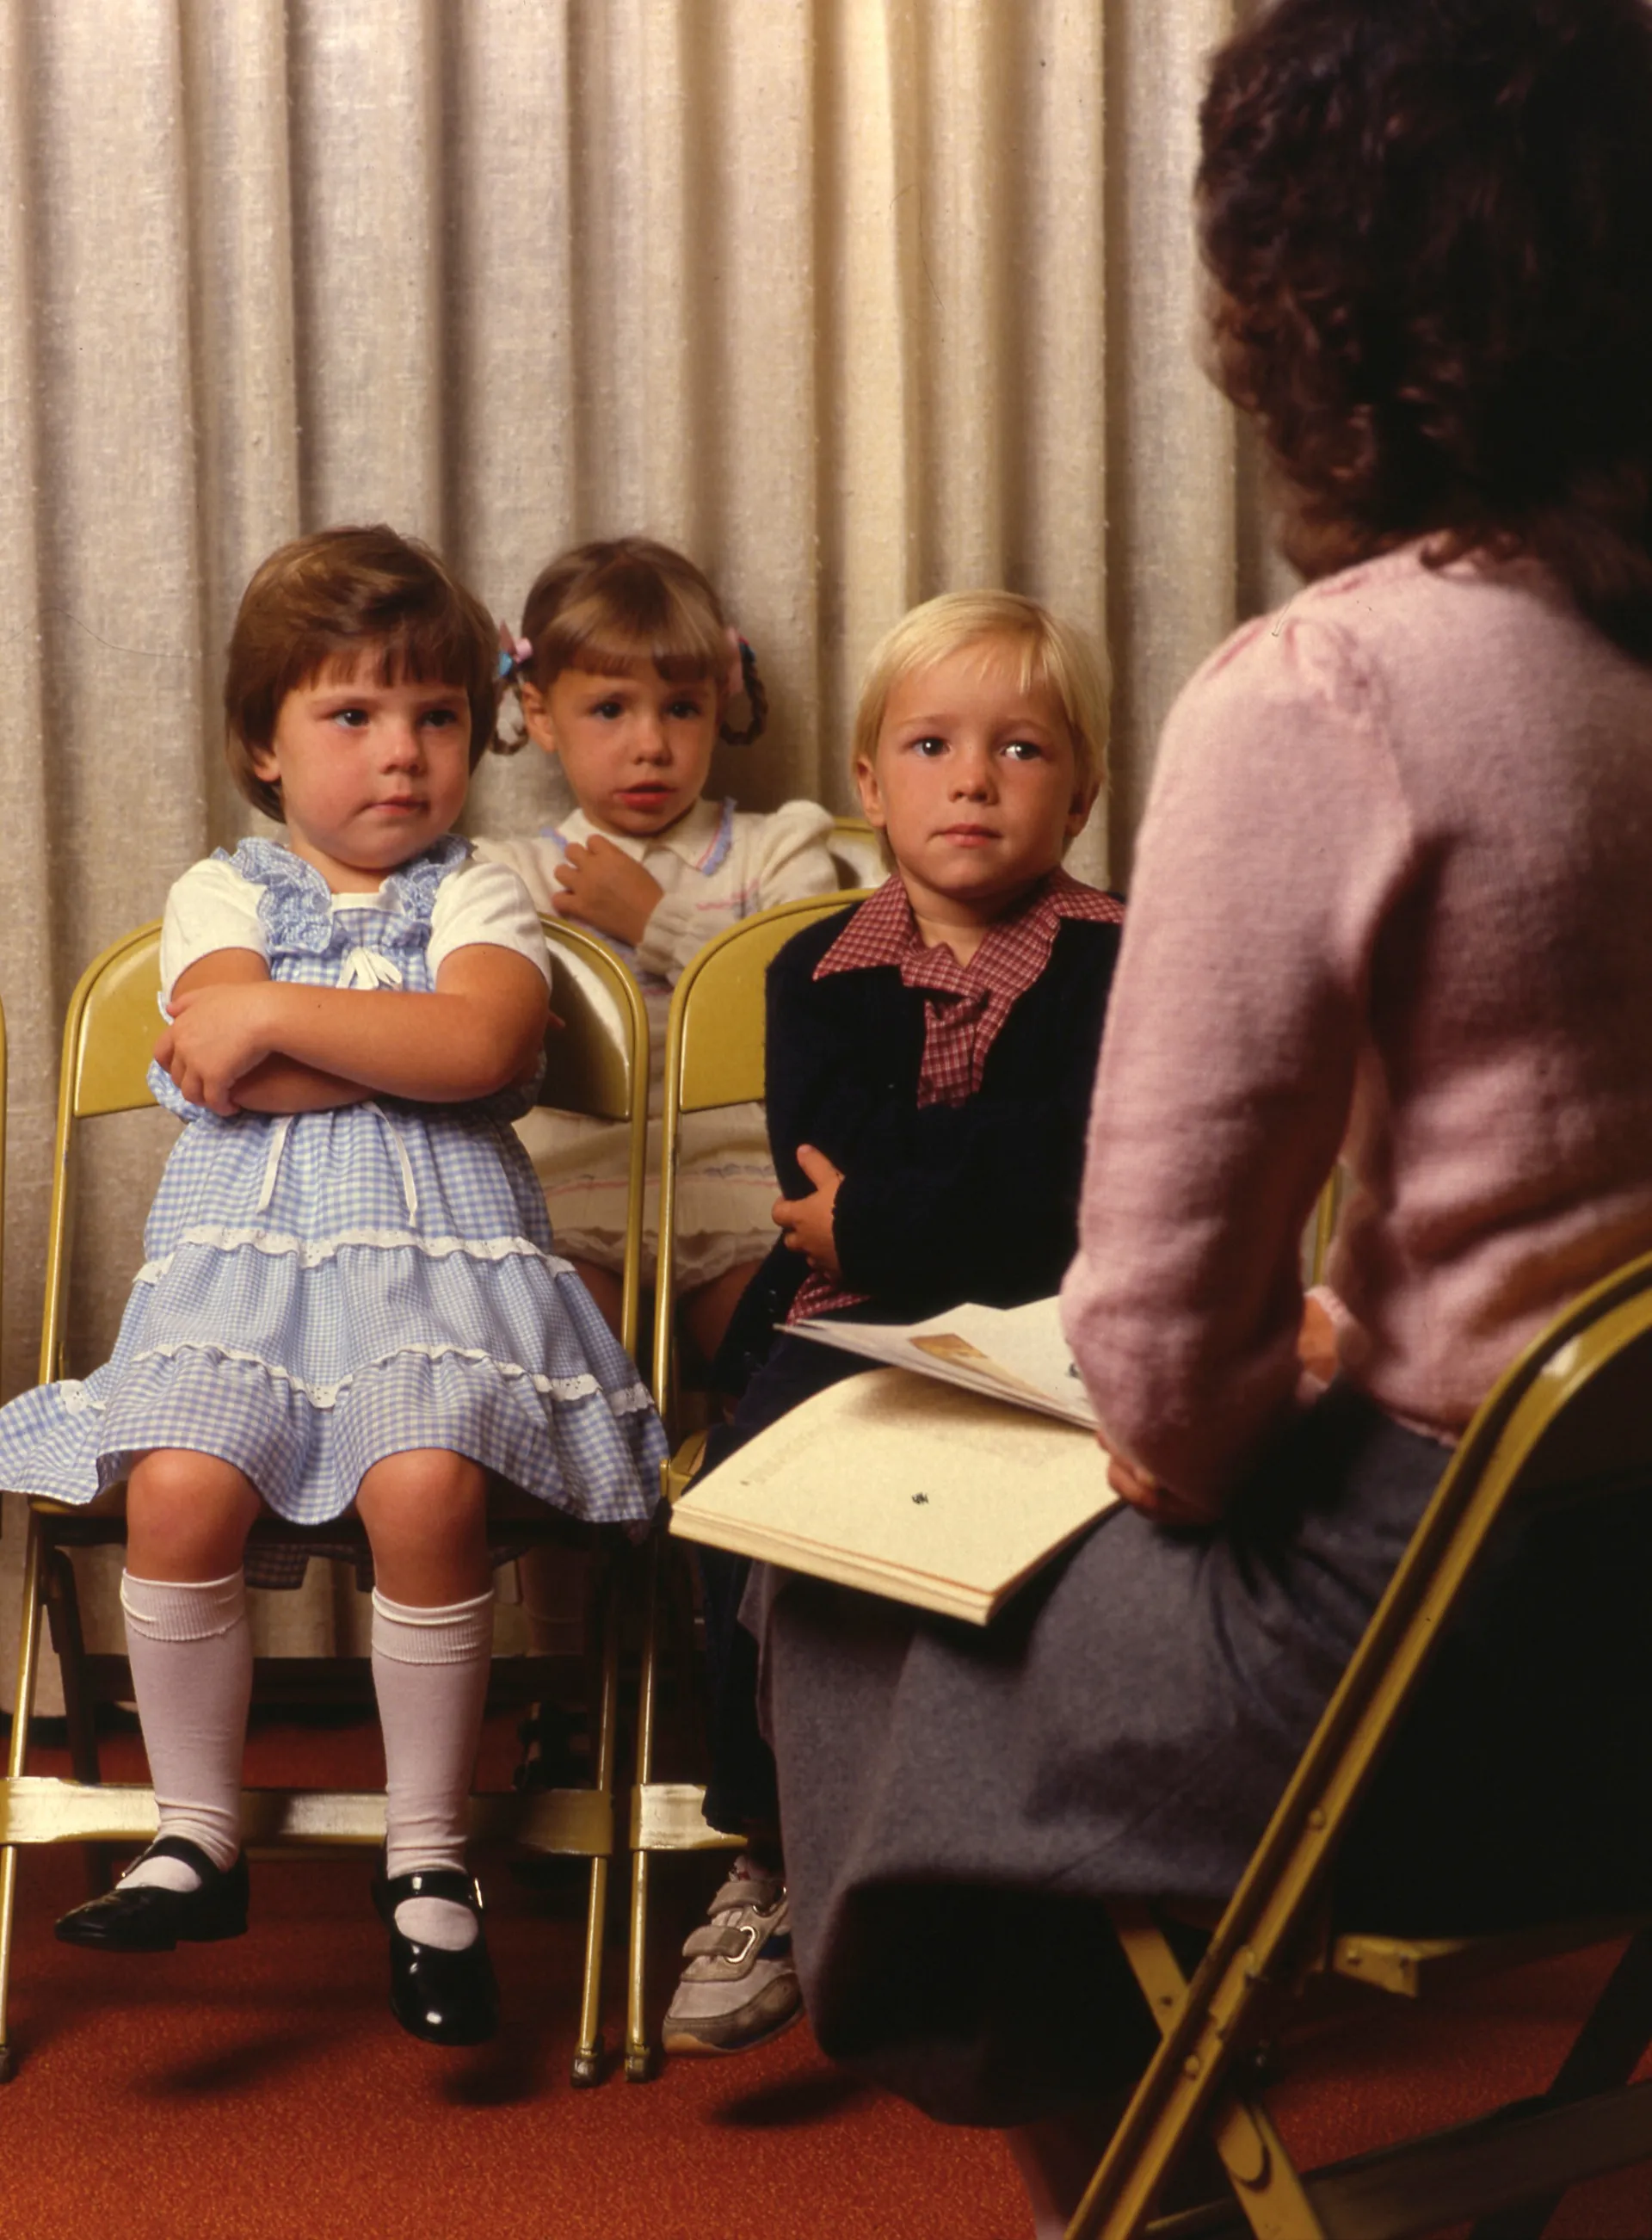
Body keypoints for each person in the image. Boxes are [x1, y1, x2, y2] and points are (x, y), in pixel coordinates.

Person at [743, 1, 1652, 2229]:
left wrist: (1227, 1406)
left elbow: (1164, 1376)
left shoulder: (1335, 682)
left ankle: (1124, 2186)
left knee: (830, 1560)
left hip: (1443, 1650)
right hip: (1624, 1590)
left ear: (1310, 296)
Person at [0, 526, 666, 2049]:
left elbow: (481, 1048)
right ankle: (198, 1831)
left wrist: (288, 1039)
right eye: (352, 717)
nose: (404, 755)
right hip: (241, 1292)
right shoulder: (214, 890)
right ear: (264, 744)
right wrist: (385, 1036)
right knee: (176, 1486)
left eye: (436, 716)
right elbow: (226, 1043)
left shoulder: (485, 892)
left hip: (447, 1290)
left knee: (425, 1482)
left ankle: (429, 1850)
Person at [663, 590, 1123, 2058]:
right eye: (932, 743)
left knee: (1071, 1552)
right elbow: (826, 1141)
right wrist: (903, 1209)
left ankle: (1018, 1860)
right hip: (847, 1317)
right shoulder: (816, 972)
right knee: (743, 1518)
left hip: (1057, 1326)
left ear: (1082, 787)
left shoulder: (1123, 962)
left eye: (1022, 747)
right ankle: (771, 1852)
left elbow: (1069, 1179)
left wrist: (878, 1212)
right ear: (871, 781)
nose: (974, 777)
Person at [476, 535, 843, 1371]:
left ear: (721, 700)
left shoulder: (780, 851)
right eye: (610, 709)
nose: (651, 743)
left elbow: (815, 1016)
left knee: (778, 1378)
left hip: (746, 1202)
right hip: (570, 1204)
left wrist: (658, 920)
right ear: (540, 715)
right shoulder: (507, 875)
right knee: (567, 1372)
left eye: (679, 707)